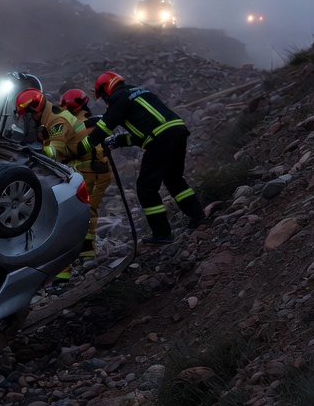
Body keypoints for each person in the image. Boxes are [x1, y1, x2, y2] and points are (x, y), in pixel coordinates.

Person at [82, 72, 207, 244]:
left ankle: (162, 233)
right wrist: (116, 141)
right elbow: (141, 136)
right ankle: (198, 216)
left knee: (146, 187)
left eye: (103, 96)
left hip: (161, 137)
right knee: (174, 179)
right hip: (177, 131)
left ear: (106, 89)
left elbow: (105, 126)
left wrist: (83, 147)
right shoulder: (140, 93)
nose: (104, 100)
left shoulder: (119, 97)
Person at [14, 88, 98, 286]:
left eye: (28, 115)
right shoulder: (48, 117)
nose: (28, 120)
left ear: (36, 107)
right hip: (75, 166)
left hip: (86, 167)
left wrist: (34, 150)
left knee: (70, 214)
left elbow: (56, 152)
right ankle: (83, 258)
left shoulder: (56, 121)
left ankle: (71, 268)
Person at [59, 88, 113, 259]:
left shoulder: (82, 124)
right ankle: (84, 252)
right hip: (93, 173)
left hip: (93, 173)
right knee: (86, 211)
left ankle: (87, 254)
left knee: (87, 212)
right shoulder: (90, 121)